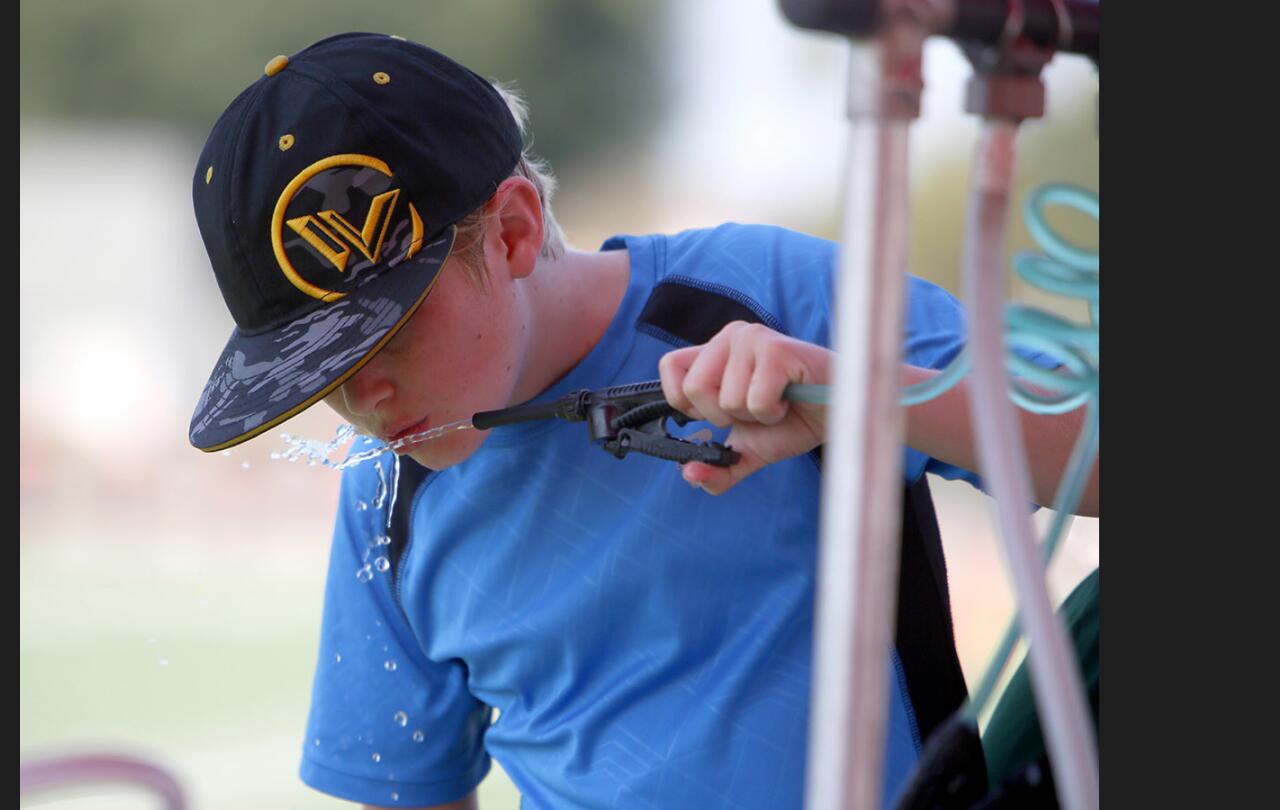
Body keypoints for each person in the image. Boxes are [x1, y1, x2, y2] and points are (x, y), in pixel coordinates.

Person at [187, 32, 1098, 810]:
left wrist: (851, 390)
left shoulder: (768, 296)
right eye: (323, 376)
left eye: (387, 336)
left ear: (510, 230)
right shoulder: (384, 495)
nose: (365, 398)